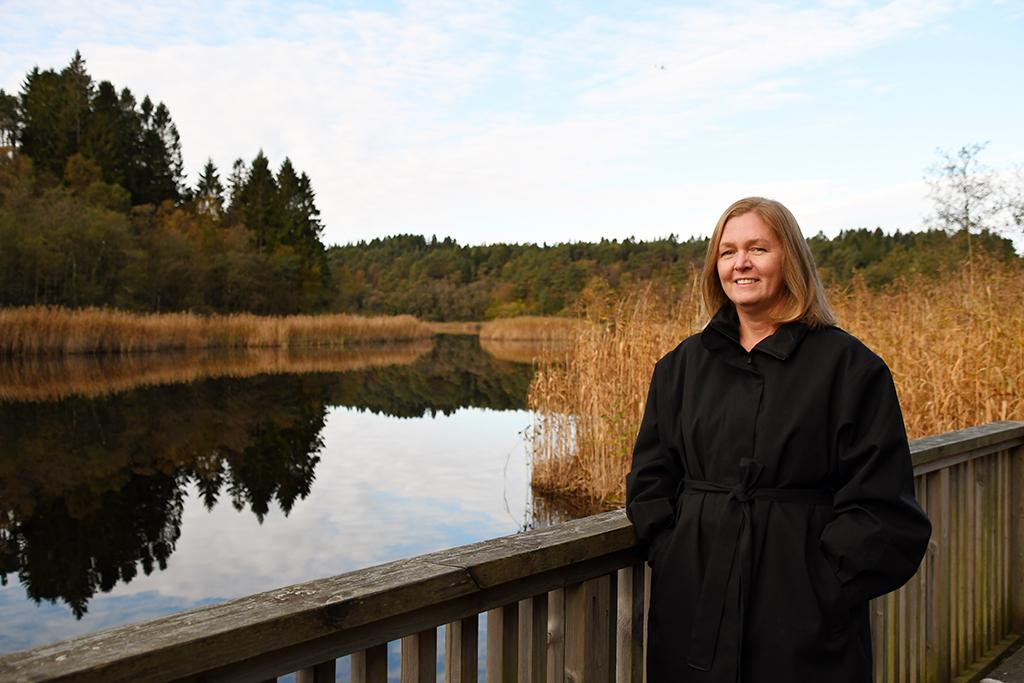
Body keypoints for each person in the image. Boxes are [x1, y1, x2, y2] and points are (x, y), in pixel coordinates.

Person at [625, 197, 932, 682]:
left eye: (757, 248)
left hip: (803, 616)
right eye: (727, 252)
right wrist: (671, 552)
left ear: (789, 257)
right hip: (694, 597)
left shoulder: (850, 368)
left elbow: (884, 507)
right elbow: (650, 480)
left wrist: (822, 584)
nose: (740, 263)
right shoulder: (679, 367)